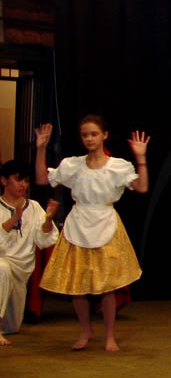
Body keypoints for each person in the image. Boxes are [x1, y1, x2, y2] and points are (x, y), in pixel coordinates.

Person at [34, 117, 149, 351]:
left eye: (94, 134)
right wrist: (41, 149)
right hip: (78, 223)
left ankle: (110, 336)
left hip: (105, 222)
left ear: (104, 135)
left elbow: (142, 187)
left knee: (107, 285)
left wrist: (141, 158)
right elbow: (42, 179)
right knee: (78, 284)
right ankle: (85, 329)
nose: (89, 138)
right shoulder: (73, 165)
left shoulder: (117, 166)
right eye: (85, 135)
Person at [0, 160, 60, 345]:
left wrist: (48, 220)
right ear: (4, 181)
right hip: (3, 265)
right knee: (2, 268)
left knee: (12, 327)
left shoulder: (33, 207)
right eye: (18, 180)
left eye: (26, 181)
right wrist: (16, 216)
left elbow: (44, 240)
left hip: (21, 274)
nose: (23, 185)